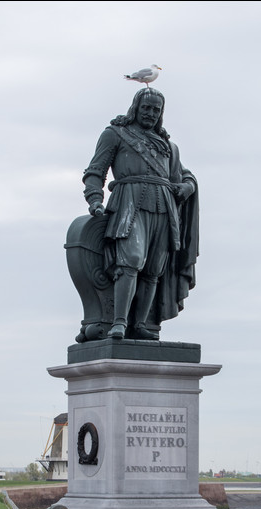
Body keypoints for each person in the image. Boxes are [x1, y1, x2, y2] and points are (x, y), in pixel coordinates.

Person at [81, 86, 199, 341]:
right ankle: (119, 322)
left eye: (156, 110)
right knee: (131, 260)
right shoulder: (115, 134)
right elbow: (95, 172)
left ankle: (140, 324)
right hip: (129, 203)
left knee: (154, 269)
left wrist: (187, 187)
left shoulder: (168, 146)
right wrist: (94, 199)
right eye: (146, 108)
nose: (151, 113)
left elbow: (183, 174)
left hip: (163, 207)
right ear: (136, 108)